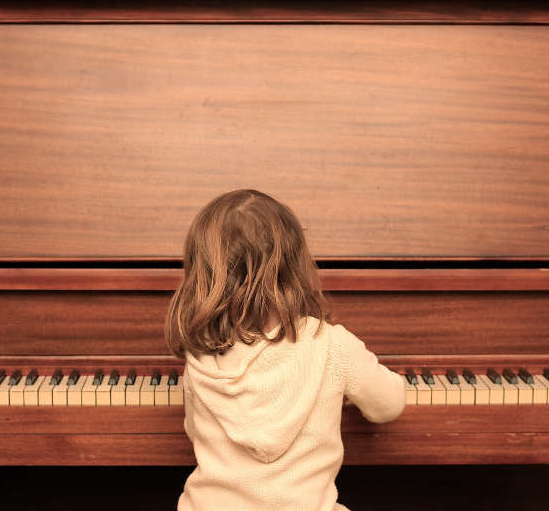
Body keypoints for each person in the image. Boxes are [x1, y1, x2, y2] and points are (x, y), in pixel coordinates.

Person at [165, 189, 406, 511]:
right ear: (294, 264)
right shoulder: (332, 345)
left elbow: (196, 435)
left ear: (202, 272)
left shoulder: (203, 353)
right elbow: (388, 405)